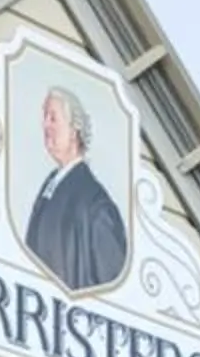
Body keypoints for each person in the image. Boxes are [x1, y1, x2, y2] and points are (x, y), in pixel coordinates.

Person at [23, 87, 128, 292]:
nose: (45, 125)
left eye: (53, 118)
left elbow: (111, 285)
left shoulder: (95, 205)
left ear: (74, 131)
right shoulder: (50, 184)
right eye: (44, 117)